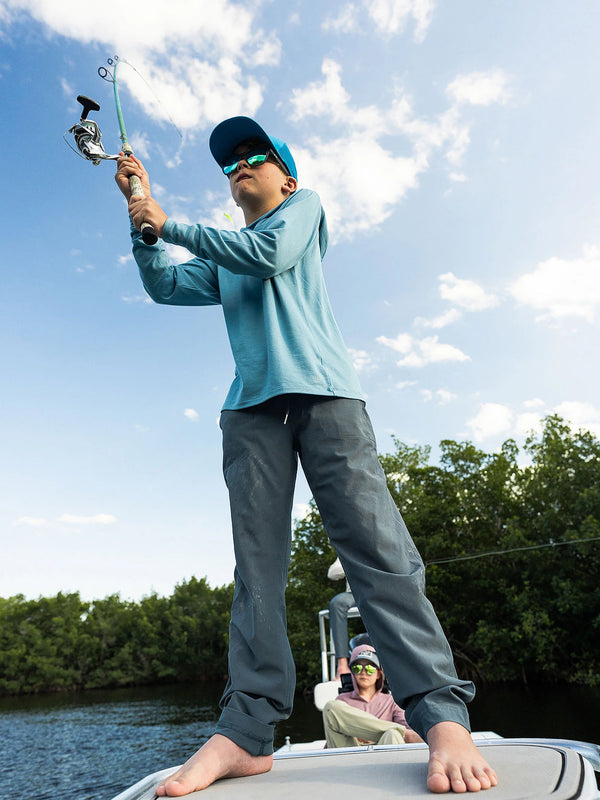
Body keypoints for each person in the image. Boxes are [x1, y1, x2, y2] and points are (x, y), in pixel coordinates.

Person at [114, 115, 498, 796]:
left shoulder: (302, 210)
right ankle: (245, 733)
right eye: (230, 162)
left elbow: (266, 253)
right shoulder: (224, 255)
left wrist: (169, 223)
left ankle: (440, 716)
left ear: (287, 179)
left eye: (255, 155)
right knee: (256, 572)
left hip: (327, 398)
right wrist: (141, 222)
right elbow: (165, 286)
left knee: (378, 553)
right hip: (250, 413)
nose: (240, 165)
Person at [323, 644, 423, 747]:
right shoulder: (342, 700)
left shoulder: (391, 701)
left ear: (379, 674)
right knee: (331, 707)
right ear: (352, 673)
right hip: (352, 751)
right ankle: (401, 733)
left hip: (382, 751)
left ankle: (398, 733)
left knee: (393, 733)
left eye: (370, 668)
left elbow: (411, 731)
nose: (363, 672)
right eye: (357, 668)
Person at [327, 557, 356, 678]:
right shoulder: (351, 549)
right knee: (337, 603)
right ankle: (342, 666)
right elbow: (331, 573)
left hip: (382, 592)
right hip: (355, 593)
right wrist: (352, 561)